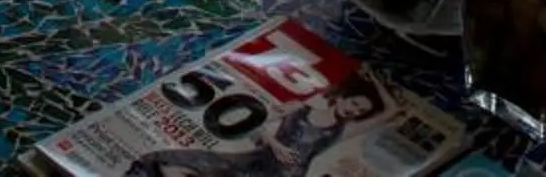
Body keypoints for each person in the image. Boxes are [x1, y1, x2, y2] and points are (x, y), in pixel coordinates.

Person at [119, 82, 388, 177]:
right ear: (342, 97)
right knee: (172, 163)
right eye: (354, 102)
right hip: (256, 162)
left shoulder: (338, 131)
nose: (354, 111)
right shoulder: (299, 108)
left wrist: (377, 82)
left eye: (360, 111)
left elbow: (392, 112)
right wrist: (275, 143)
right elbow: (254, 125)